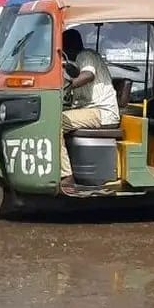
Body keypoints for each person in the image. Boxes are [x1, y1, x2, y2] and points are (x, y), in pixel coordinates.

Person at [60, 28, 120, 190]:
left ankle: (66, 175)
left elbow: (88, 75)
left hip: (103, 112)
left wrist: (68, 85)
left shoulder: (86, 56)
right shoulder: (72, 65)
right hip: (90, 110)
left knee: (57, 123)